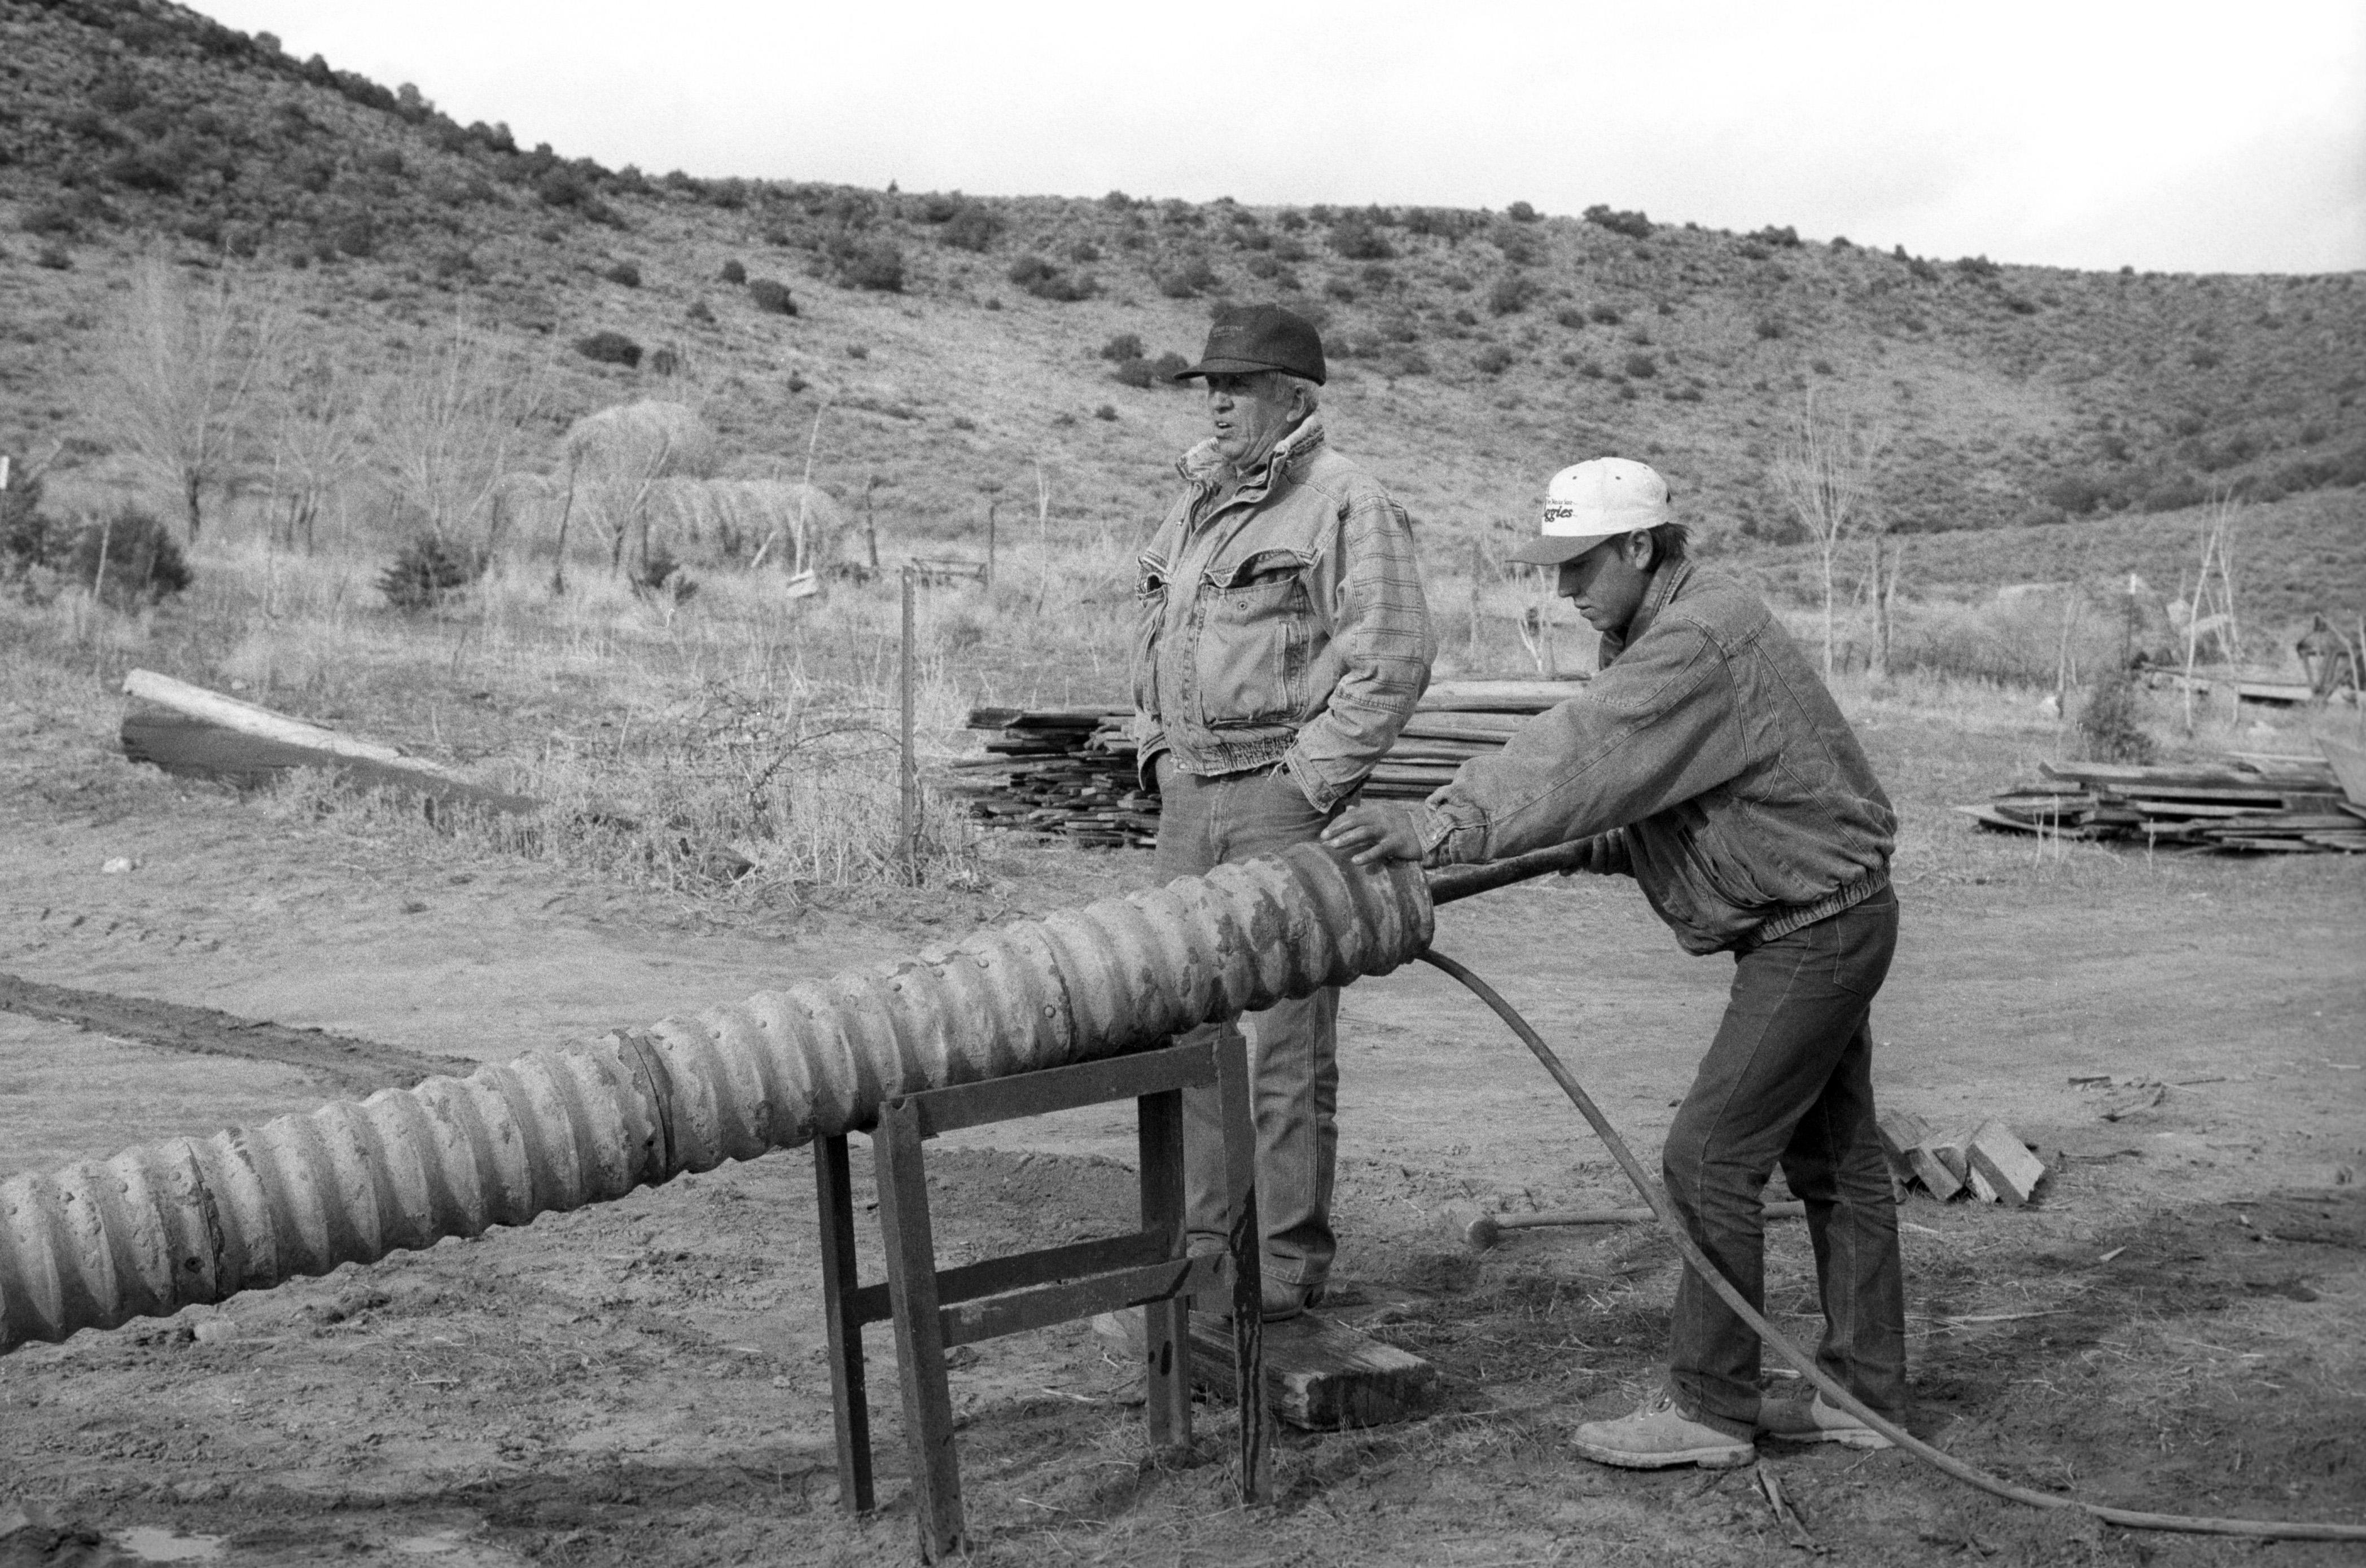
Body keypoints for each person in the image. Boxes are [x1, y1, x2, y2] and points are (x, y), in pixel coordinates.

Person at [1322, 456, 1904, 1466]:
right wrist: (1590, 841)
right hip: (1829, 918)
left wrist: (1440, 822)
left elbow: (1587, 749)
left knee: (1708, 1157)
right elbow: (1668, 787)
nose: (1565, 589)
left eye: (1581, 565)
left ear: (1640, 545)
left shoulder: (1696, 638)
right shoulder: (1664, 627)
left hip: (1815, 934)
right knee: (1834, 1163)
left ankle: (1711, 1411)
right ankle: (1864, 1394)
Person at [1134, 303, 1433, 1320]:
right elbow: (1153, 630)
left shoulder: (1347, 502)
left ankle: (1285, 1274)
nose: (1217, 402)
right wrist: (1157, 754)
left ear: (1294, 398)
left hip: (1281, 796)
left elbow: (1393, 659)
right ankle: (1207, 1263)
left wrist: (1305, 784)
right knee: (1186, 1029)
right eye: (1210, 386)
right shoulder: (1196, 500)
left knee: (1288, 1047)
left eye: (1239, 386)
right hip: (1190, 795)